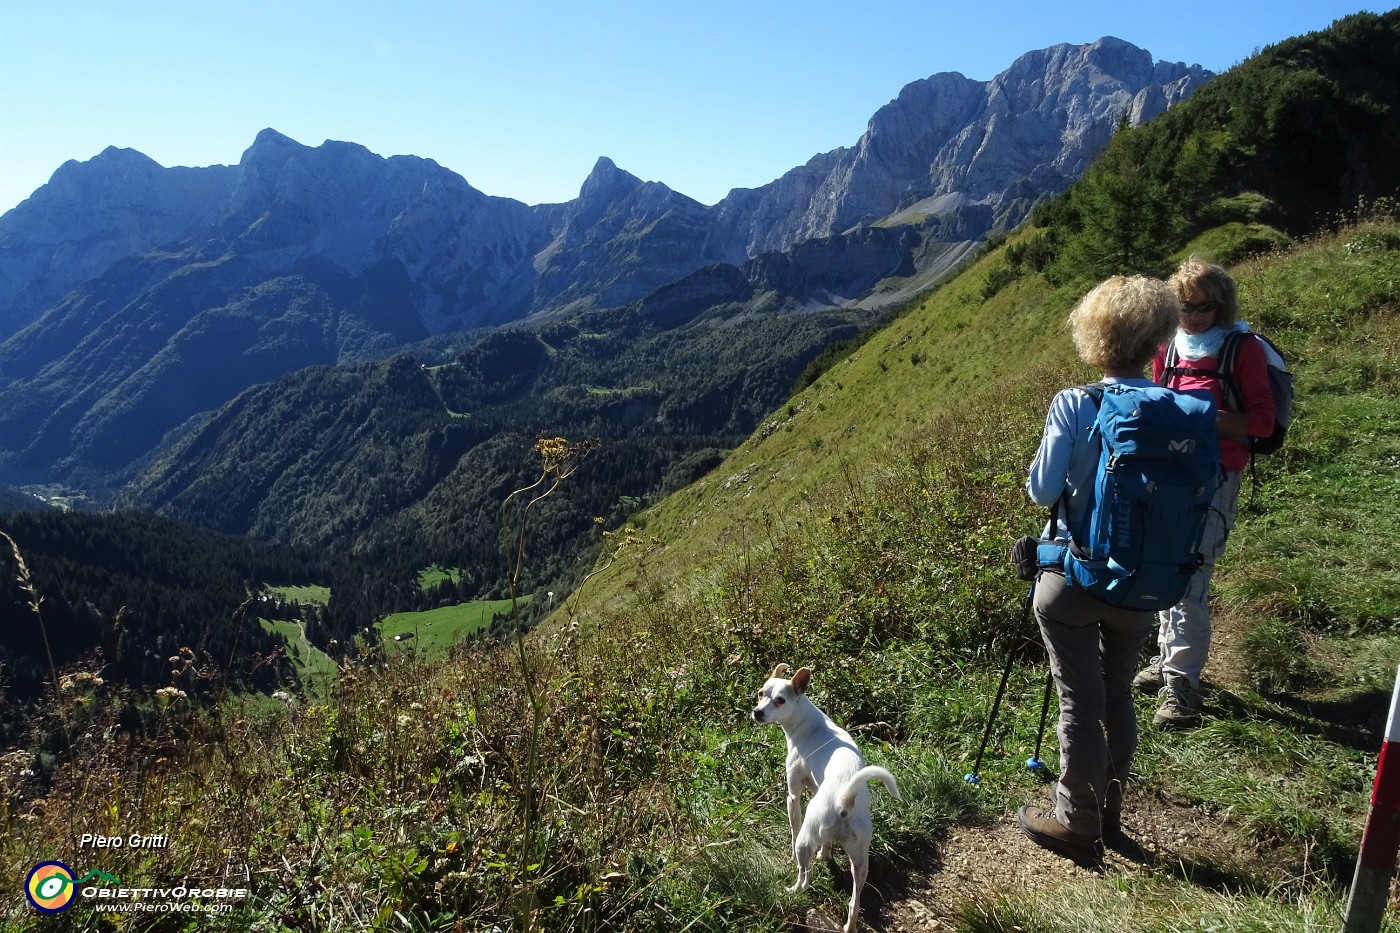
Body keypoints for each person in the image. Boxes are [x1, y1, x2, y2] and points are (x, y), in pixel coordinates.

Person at [1017, 274, 1182, 860]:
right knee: (1116, 694)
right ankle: (1110, 809)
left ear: (1094, 337)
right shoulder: (1180, 409)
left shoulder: (1075, 402)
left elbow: (1041, 492)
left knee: (1077, 699)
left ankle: (1077, 819)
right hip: (1143, 582)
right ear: (1158, 340)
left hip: (1075, 579)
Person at [1133, 257, 1276, 728]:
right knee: (1162, 562)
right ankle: (1165, 661)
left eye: (1203, 307)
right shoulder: (1169, 346)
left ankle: (1183, 687)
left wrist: (1200, 417)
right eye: (1183, 305)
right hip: (1171, 472)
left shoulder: (1242, 349)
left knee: (1191, 575)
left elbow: (1262, 422)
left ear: (1222, 306)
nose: (1191, 315)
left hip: (1215, 476)